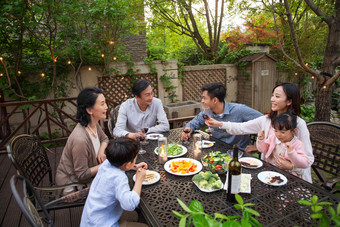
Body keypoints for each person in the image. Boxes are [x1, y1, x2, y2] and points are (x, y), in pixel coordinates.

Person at [206, 82, 314, 183]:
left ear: (289, 101)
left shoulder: (299, 124)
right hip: (267, 174)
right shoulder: (267, 119)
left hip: (293, 178)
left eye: (277, 96)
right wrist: (219, 124)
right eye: (272, 95)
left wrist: (291, 166)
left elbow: (309, 159)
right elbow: (241, 128)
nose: (272, 99)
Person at [80, 137, 148, 227]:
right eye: (135, 158)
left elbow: (118, 165)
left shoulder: (107, 163)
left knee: (134, 215)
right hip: (102, 224)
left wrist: (133, 166)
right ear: (127, 164)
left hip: (91, 219)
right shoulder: (119, 178)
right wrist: (139, 180)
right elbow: (130, 204)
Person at [56, 87, 109, 195]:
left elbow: (104, 139)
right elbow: (81, 174)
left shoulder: (93, 124)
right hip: (73, 186)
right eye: (102, 104)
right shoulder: (80, 139)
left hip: (88, 176)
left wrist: (101, 151)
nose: (106, 107)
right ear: (89, 110)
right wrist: (108, 164)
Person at [181, 82, 263, 150]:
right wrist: (188, 130)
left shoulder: (240, 110)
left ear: (215, 100)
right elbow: (193, 123)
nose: (202, 101)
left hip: (238, 152)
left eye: (204, 98)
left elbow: (266, 122)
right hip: (216, 150)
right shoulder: (207, 112)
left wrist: (256, 147)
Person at [256, 111, 310, 180]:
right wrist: (261, 140)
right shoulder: (273, 138)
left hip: (288, 176)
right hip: (271, 171)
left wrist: (292, 153)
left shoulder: (297, 144)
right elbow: (263, 149)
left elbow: (305, 163)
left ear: (293, 131)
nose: (278, 134)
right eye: (276, 131)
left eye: (282, 132)